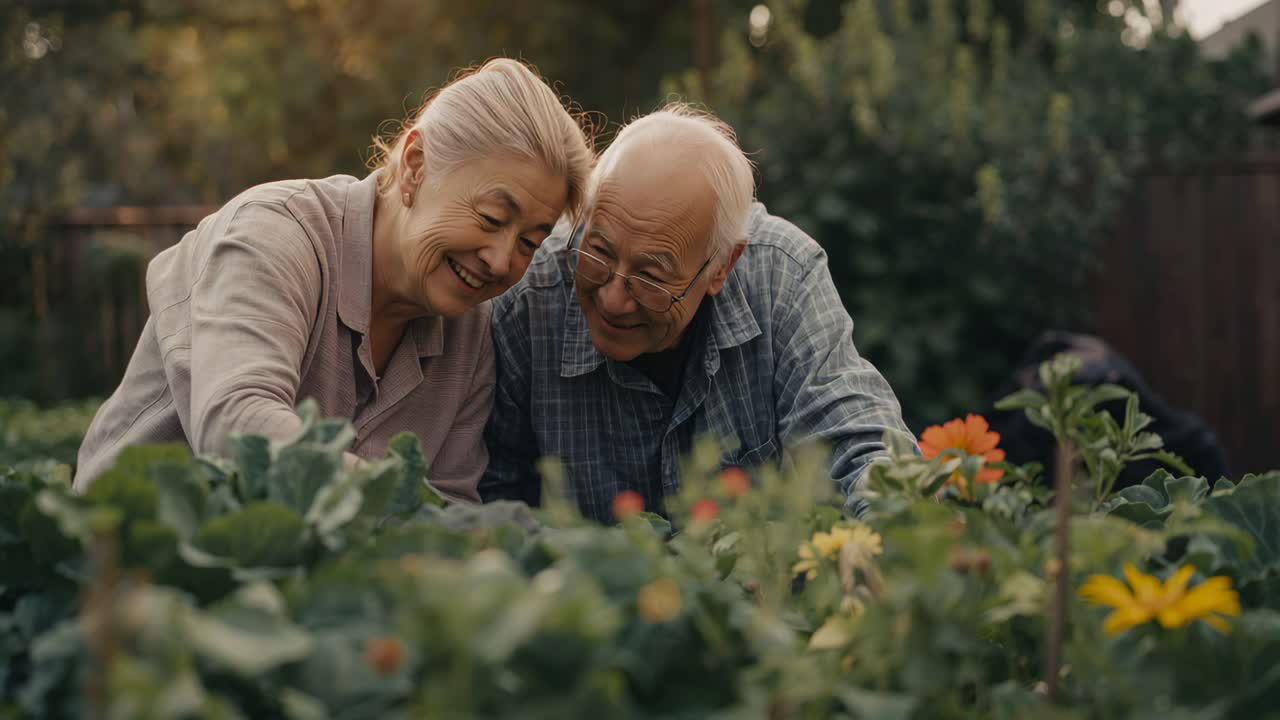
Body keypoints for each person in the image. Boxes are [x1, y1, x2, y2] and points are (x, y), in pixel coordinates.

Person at [74, 59, 595, 503]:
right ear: (415, 167)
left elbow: (452, 500)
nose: (502, 262)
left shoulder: (470, 332)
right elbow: (238, 423)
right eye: (490, 218)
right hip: (125, 563)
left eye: (530, 242)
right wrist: (398, 501)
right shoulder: (274, 235)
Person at [479, 104, 910, 522]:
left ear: (722, 265)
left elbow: (856, 436)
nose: (612, 299)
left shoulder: (781, 277)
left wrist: (893, 529)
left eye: (649, 278)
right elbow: (493, 498)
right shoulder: (527, 300)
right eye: (598, 253)